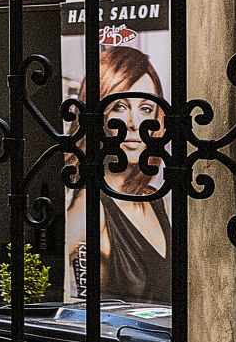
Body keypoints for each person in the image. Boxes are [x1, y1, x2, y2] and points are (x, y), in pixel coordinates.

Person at [67, 38, 171, 304]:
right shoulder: (92, 207)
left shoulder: (156, 199)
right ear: (99, 116)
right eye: (120, 107)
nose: (135, 124)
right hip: (116, 341)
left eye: (146, 108)